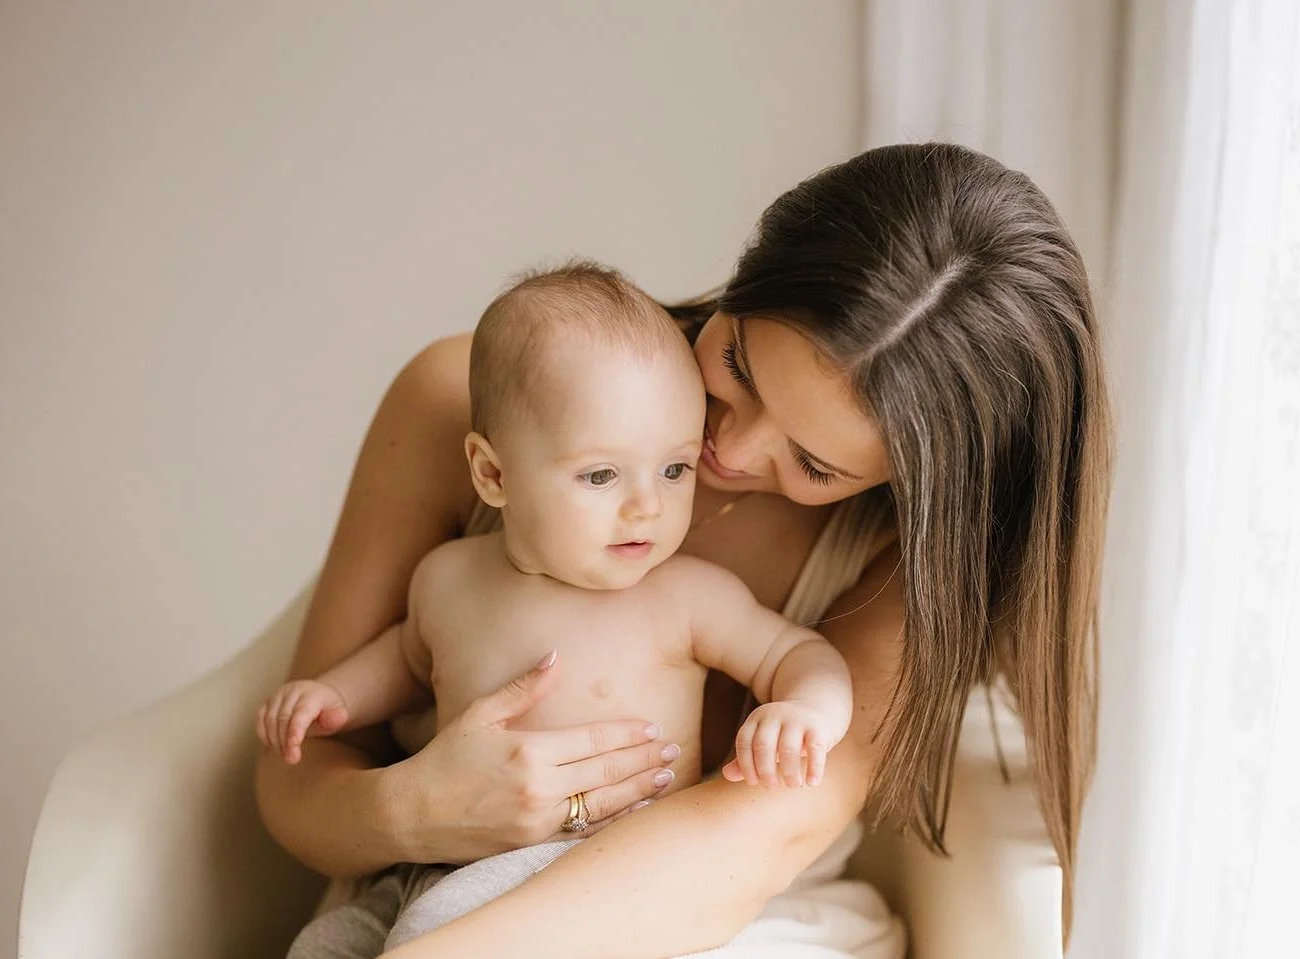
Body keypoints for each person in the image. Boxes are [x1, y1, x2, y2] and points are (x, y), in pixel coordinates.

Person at [254, 141, 1112, 957]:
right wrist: (418, 808)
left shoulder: (902, 569)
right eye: (737, 364)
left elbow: (758, 834)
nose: (729, 454)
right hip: (429, 879)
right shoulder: (464, 402)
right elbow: (298, 778)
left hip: (708, 917)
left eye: (813, 463)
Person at [257, 265, 855, 955]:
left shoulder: (686, 596)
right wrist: (330, 698)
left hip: (577, 869)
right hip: (433, 856)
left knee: (426, 937)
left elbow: (796, 654)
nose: (647, 506)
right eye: (601, 474)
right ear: (494, 475)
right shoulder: (447, 579)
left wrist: (806, 711)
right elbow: (404, 661)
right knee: (322, 944)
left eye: (675, 468)